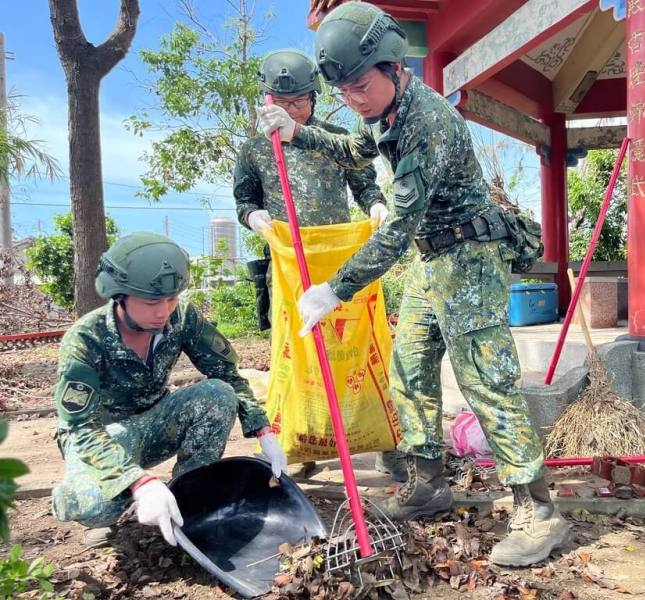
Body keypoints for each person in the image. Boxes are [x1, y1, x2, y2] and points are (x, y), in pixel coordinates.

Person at [258, 2, 569, 567]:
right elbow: (358, 148)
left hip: (470, 255)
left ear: (391, 66)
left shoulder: (426, 122)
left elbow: (398, 227)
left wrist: (335, 288)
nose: (354, 100)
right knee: (410, 364)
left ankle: (538, 507)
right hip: (434, 258)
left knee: (484, 379)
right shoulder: (384, 110)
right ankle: (428, 482)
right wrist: (299, 134)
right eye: (343, 92)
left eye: (359, 86)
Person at [51, 232, 287, 548]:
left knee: (217, 394)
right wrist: (139, 482)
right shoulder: (84, 340)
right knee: (94, 506)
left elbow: (226, 374)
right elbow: (81, 428)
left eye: (171, 299)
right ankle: (87, 497)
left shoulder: (182, 318)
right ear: (120, 295)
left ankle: (186, 500)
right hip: (103, 438)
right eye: (151, 302)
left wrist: (262, 430)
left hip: (155, 422)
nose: (164, 311)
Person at [235, 48, 406, 481]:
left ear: (313, 98)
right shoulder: (256, 149)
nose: (292, 110)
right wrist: (255, 219)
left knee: (357, 349)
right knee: (300, 354)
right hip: (292, 265)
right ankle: (303, 442)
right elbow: (244, 200)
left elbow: (365, 185)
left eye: (300, 102)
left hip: (341, 262)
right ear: (267, 100)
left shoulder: (333, 138)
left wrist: (377, 207)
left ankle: (383, 440)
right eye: (282, 103)